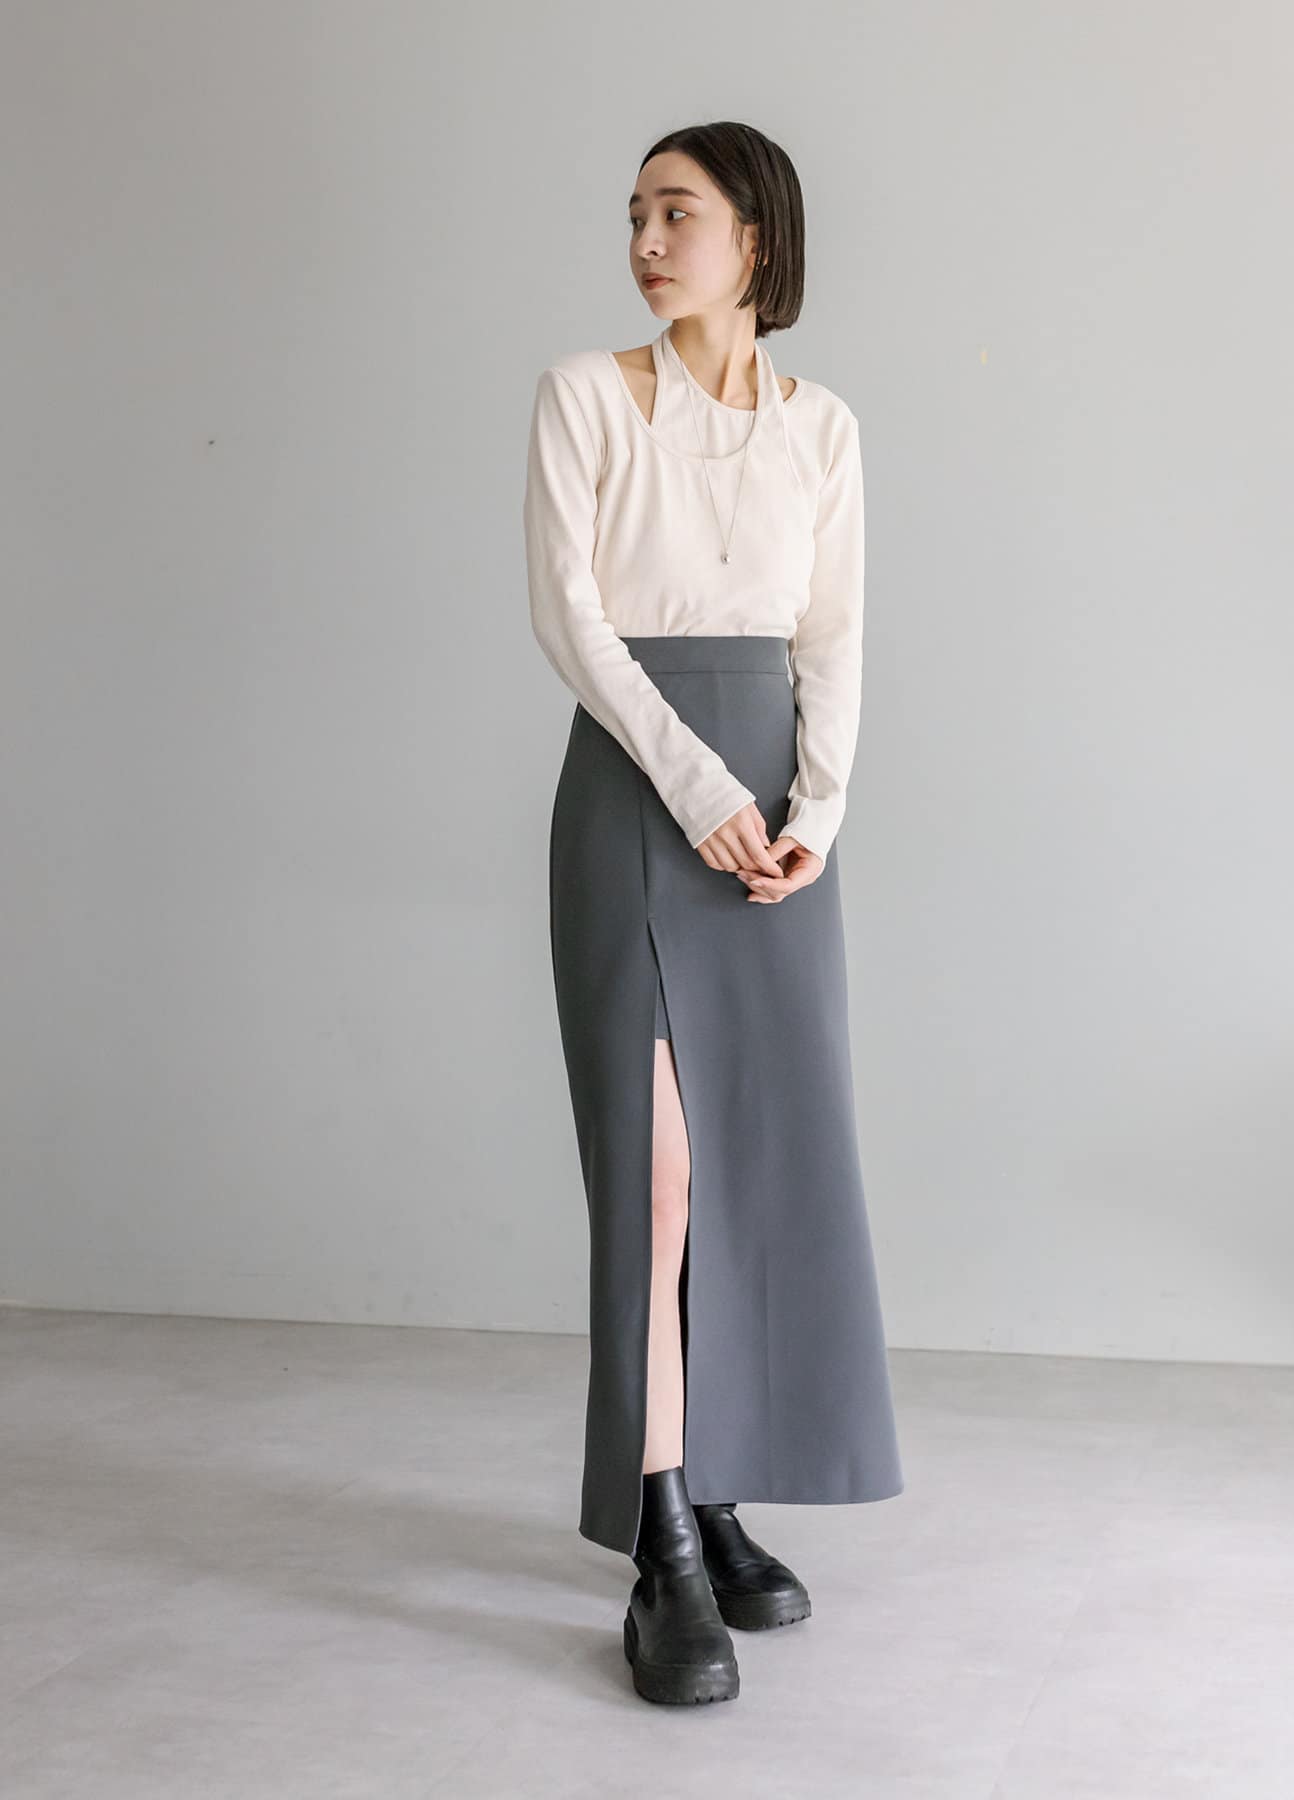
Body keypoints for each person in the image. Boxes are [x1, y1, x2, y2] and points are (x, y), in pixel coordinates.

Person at [522, 119, 903, 1706]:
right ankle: (661, 1538)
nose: (645, 240)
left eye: (675, 212)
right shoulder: (585, 396)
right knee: (660, 1181)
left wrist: (815, 815)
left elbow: (836, 637)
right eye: (634, 214)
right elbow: (574, 625)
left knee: (759, 1167)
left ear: (758, 235)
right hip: (639, 797)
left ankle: (717, 1483)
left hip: (775, 832)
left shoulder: (825, 430)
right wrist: (700, 789)